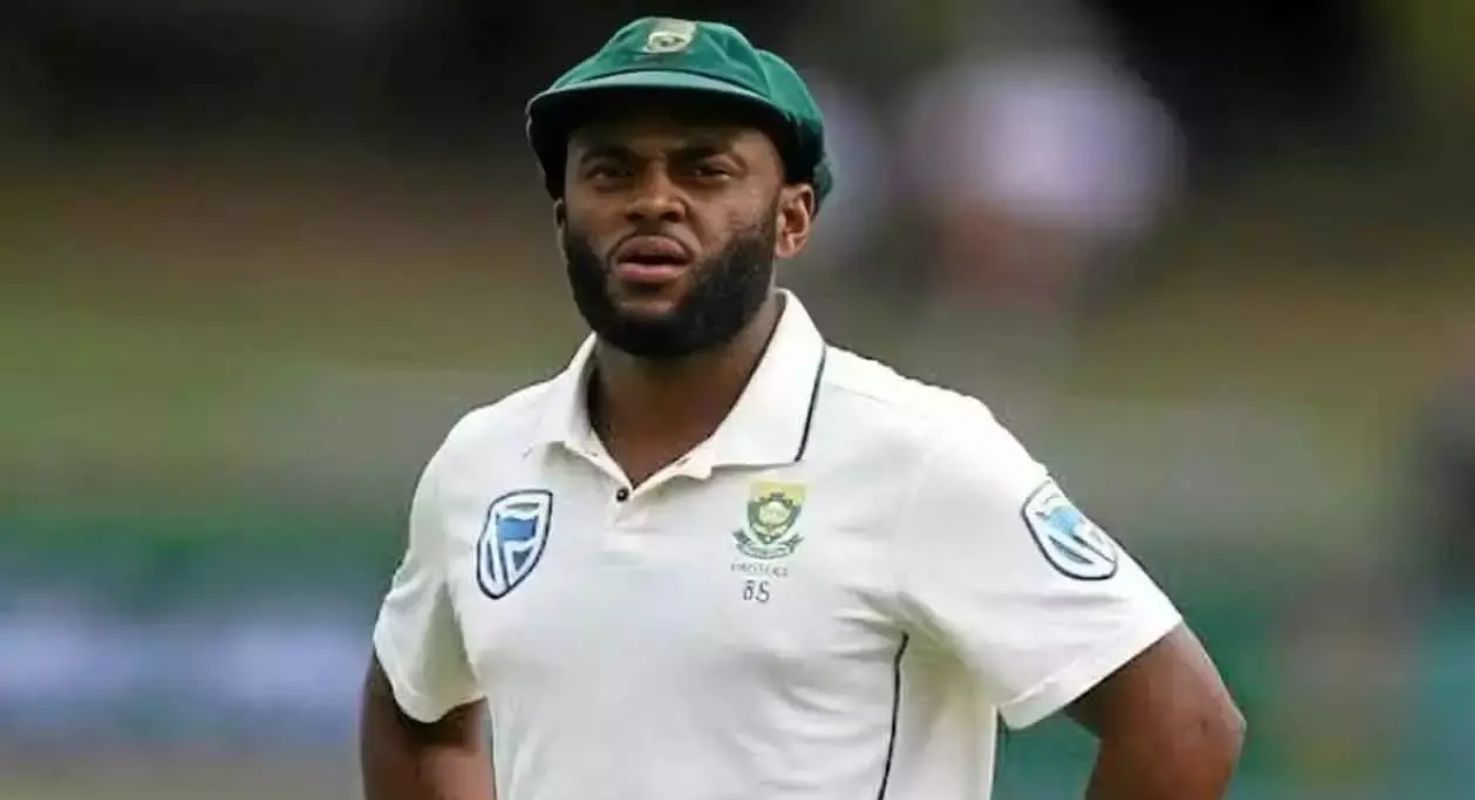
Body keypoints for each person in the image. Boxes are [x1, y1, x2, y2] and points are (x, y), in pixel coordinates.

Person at [360, 17, 1243, 800]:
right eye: (611, 170)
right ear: (564, 216)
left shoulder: (918, 452)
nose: (654, 199)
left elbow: (1183, 721)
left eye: (706, 169)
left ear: (793, 219)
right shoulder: (485, 462)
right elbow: (414, 714)